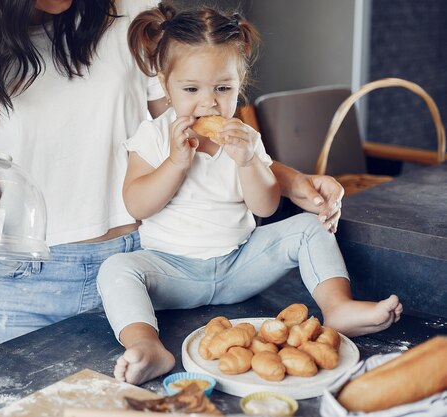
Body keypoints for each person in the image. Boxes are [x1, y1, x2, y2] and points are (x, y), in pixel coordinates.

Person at [0, 0, 347, 351]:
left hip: (143, 272)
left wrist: (290, 180)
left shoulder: (134, 15)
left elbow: (191, 134)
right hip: (25, 285)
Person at [95, 4, 403, 386]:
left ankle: (338, 307)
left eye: (223, 89)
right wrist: (175, 162)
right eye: (191, 89)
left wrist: (247, 162)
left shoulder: (246, 140)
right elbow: (136, 205)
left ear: (240, 84)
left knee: (308, 227)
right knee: (116, 269)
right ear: (164, 84)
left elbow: (266, 207)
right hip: (172, 272)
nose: (208, 103)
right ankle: (147, 345)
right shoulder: (153, 137)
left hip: (240, 264)